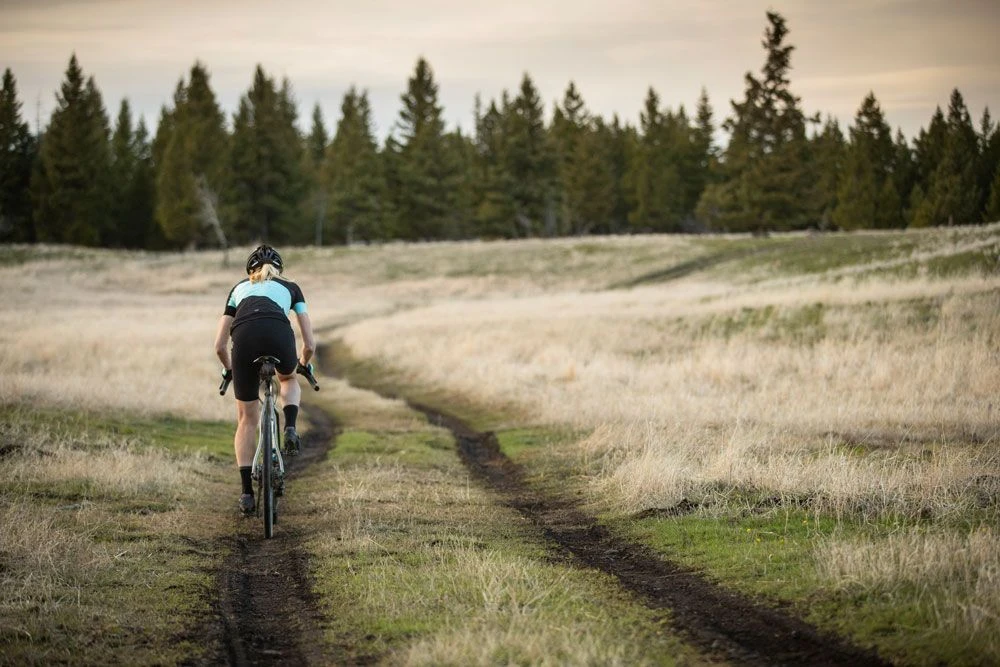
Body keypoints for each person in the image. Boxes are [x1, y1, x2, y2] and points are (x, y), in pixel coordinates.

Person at [213, 244, 315, 516]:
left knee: (247, 419)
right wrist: (303, 364)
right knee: (288, 379)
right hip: (279, 334)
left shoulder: (238, 288)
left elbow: (220, 346)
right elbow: (309, 344)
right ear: (279, 269)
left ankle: (246, 492)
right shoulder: (291, 288)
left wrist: (230, 370)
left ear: (250, 270)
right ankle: (290, 427)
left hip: (244, 339)